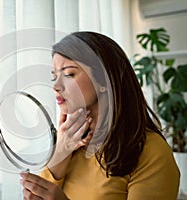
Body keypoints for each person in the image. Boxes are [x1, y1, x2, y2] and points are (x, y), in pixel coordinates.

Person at [19, 31, 180, 200]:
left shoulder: (152, 152)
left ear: (104, 80)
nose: (56, 86)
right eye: (54, 77)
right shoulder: (68, 142)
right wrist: (62, 150)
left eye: (68, 74)